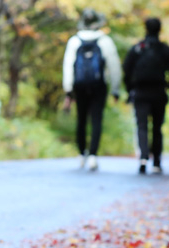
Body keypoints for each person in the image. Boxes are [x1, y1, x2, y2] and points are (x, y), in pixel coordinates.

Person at [62, 8, 121, 171]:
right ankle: (93, 155)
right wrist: (115, 89)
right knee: (96, 120)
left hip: (79, 86)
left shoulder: (74, 41)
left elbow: (68, 65)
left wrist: (68, 89)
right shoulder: (105, 41)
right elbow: (114, 66)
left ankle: (82, 154)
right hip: (98, 85)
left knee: (81, 119)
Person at [123, 17, 169, 175]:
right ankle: (156, 161)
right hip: (159, 93)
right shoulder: (164, 49)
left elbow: (126, 70)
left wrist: (129, 91)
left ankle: (143, 158)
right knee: (157, 128)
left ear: (145, 29)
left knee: (141, 126)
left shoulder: (137, 48)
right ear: (159, 29)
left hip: (140, 92)